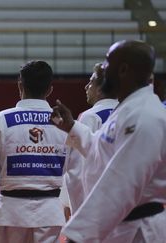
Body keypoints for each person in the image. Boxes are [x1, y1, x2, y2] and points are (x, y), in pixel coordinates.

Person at [51, 40, 166, 242]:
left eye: (107, 62)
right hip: (119, 226)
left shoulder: (145, 115)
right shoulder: (127, 109)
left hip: (139, 230)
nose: (104, 68)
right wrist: (72, 127)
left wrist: (79, 234)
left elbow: (121, 182)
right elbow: (101, 150)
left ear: (123, 69)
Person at [0, 61, 67, 243]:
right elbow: (77, 174)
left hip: (10, 214)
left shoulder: (2, 119)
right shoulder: (65, 124)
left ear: (20, 85)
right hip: (50, 214)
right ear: (49, 89)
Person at [60, 63, 118, 215]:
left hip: (96, 201)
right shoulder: (129, 112)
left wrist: (71, 206)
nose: (86, 86)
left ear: (100, 89)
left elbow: (77, 168)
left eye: (91, 81)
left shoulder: (91, 116)